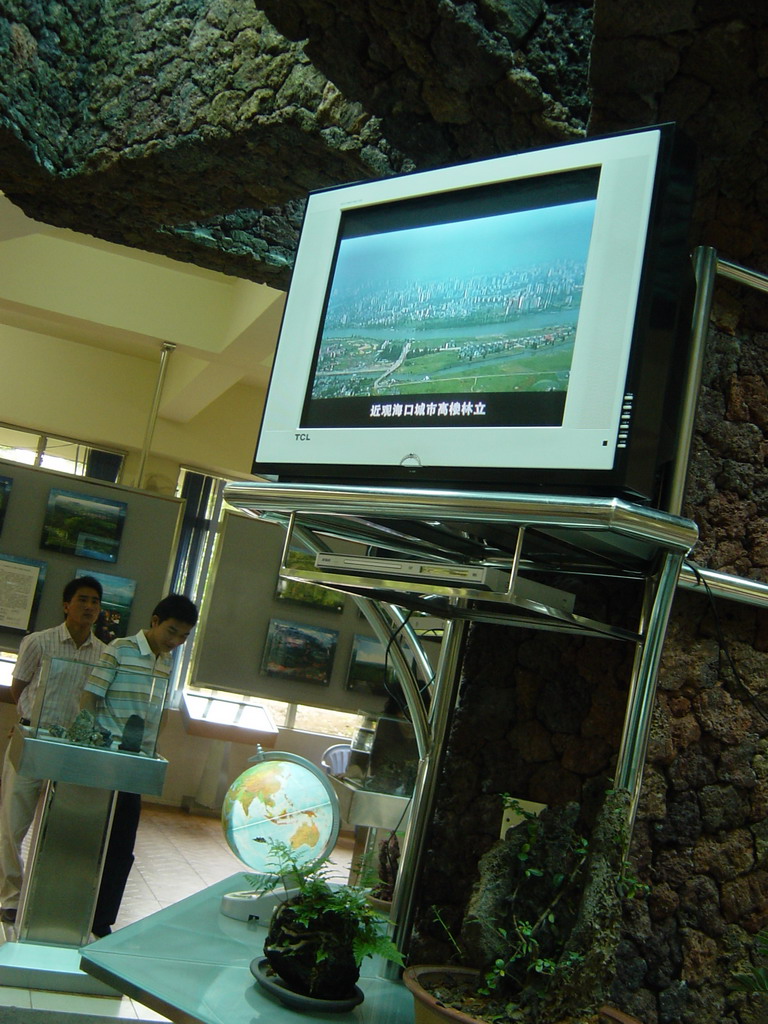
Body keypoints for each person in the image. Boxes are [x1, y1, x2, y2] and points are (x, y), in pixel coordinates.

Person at [81, 592, 198, 937]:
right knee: (92, 838)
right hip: (106, 759)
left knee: (122, 846)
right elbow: (90, 697)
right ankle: (77, 908)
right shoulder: (119, 649)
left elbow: (158, 710)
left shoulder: (166, 661)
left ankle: (102, 921)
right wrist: (88, 744)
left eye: (184, 637)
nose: (176, 642)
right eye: (172, 632)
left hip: (136, 765)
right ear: (155, 621)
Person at [0, 576, 107, 923]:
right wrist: (32, 720)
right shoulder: (38, 642)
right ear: (66, 605)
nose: (89, 607)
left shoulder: (104, 654)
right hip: (32, 740)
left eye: (95, 601)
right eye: (82, 600)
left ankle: (43, 895)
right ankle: (10, 897)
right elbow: (19, 688)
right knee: (13, 823)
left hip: (72, 749)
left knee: (58, 827)